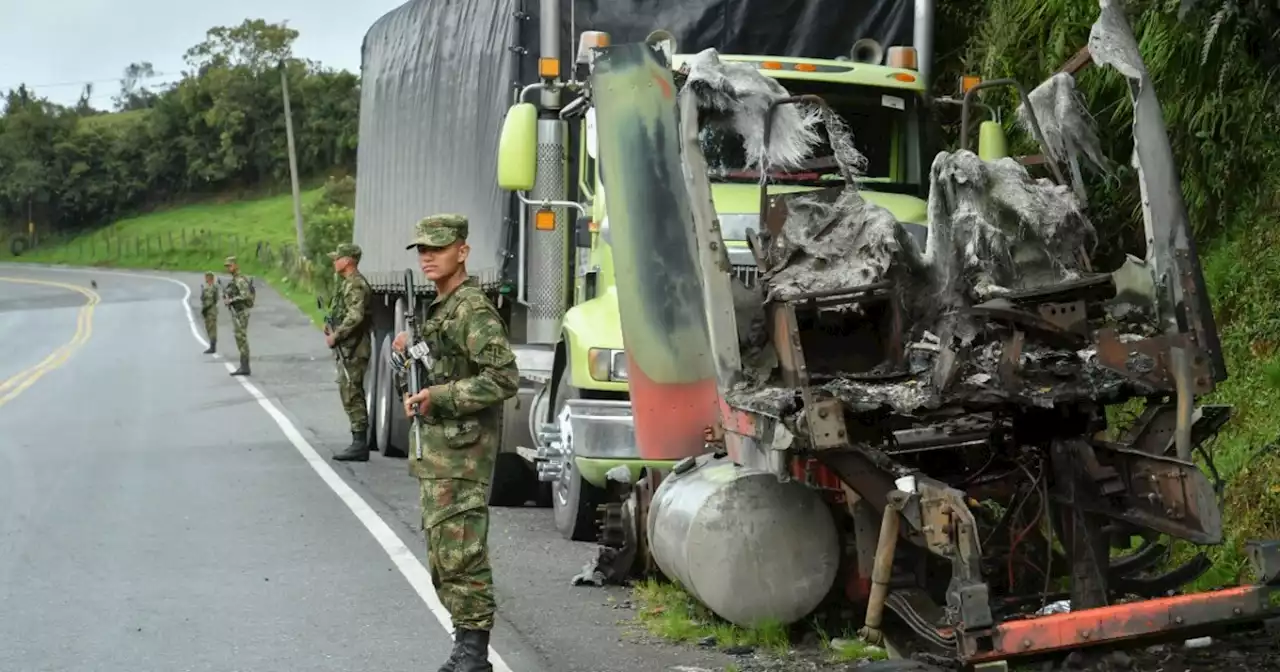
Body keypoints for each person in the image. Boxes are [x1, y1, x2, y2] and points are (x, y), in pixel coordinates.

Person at [390, 213, 518, 672]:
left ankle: (474, 655)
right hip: (440, 451)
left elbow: (503, 378)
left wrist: (439, 397)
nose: (428, 257)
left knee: (462, 553)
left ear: (462, 251)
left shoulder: (471, 309)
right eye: (422, 250)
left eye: (437, 249)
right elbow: (441, 365)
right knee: (445, 557)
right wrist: (409, 354)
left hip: (462, 454)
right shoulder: (442, 308)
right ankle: (465, 648)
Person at [327, 242, 375, 462]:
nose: (334, 261)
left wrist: (336, 335)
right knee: (349, 392)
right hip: (349, 347)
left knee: (352, 392)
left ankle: (359, 444)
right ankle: (358, 441)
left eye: (337, 257)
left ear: (347, 260)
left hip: (354, 348)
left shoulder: (355, 284)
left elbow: (355, 316)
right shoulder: (347, 284)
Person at [223, 256, 253, 376]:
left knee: (241, 338)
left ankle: (245, 366)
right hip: (238, 312)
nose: (228, 268)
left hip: (242, 312)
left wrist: (231, 300)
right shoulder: (234, 280)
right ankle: (243, 365)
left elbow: (245, 295)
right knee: (239, 337)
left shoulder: (240, 280)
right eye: (227, 266)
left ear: (235, 265)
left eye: (230, 266)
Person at [200, 271, 219, 354]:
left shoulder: (213, 287)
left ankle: (213, 347)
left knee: (212, 329)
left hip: (211, 311)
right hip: (207, 311)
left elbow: (213, 299)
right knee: (208, 328)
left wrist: (205, 308)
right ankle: (211, 345)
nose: (205, 279)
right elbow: (203, 298)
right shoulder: (206, 287)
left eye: (207, 277)